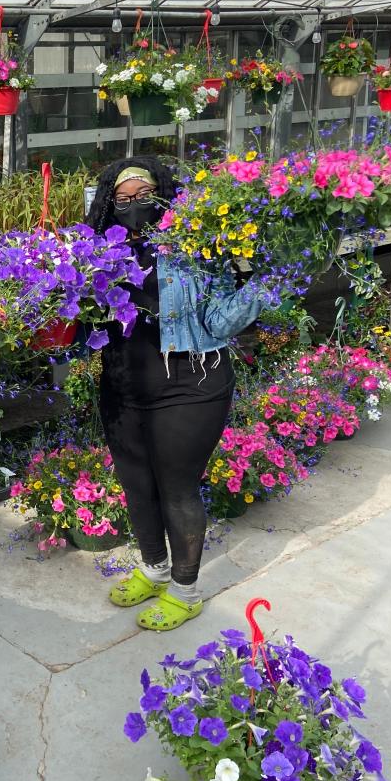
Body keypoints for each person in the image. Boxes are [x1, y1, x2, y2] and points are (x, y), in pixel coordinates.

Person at [86, 154, 263, 632]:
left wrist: (268, 284)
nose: (134, 206)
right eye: (122, 199)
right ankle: (154, 568)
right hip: (123, 384)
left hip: (192, 381)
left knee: (178, 489)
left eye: (145, 196)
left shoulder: (196, 246)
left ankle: (185, 591)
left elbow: (220, 321)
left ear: (166, 196)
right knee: (136, 485)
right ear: (107, 204)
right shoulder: (96, 250)